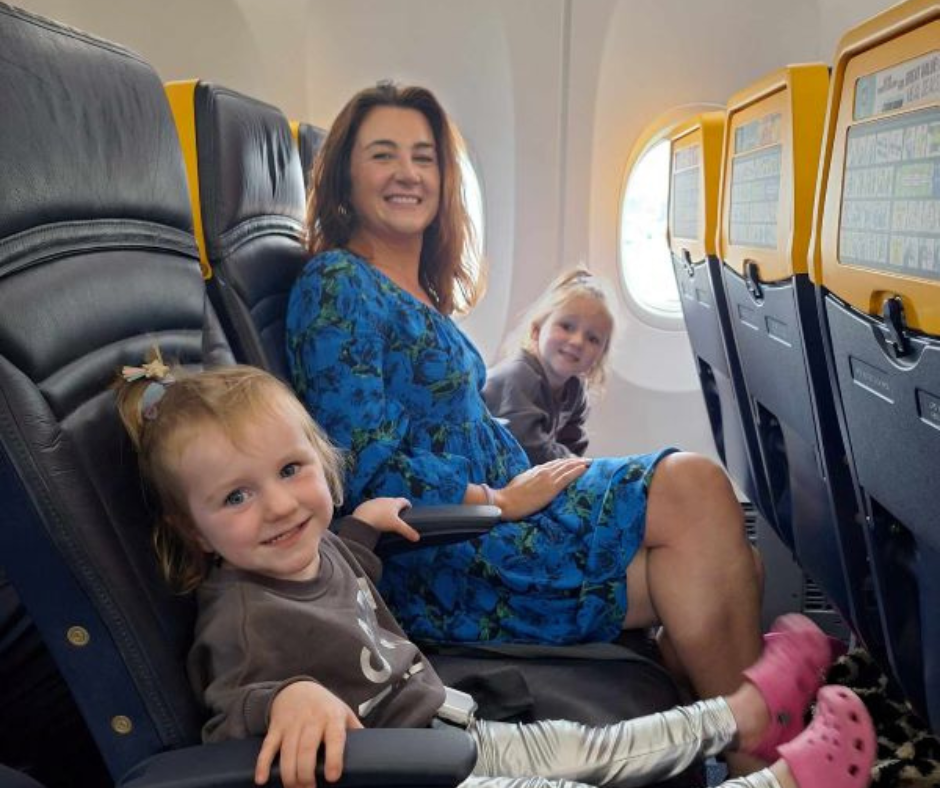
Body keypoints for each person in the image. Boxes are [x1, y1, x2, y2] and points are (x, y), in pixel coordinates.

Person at [286, 81, 763, 773]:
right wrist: (497, 499)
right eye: (382, 154)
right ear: (344, 176)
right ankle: (759, 759)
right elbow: (362, 468)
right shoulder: (335, 286)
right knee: (694, 487)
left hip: (503, 513)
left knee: (729, 557)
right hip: (448, 546)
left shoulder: (419, 285)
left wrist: (520, 483)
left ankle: (729, 751)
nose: (407, 173)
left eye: (424, 157)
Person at [114, 359, 875, 788]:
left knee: (591, 748)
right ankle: (785, 783)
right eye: (237, 497)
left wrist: (364, 523)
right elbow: (236, 706)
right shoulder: (238, 616)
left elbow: (341, 564)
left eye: (291, 470)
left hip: (448, 721)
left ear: (322, 465)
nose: (279, 507)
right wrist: (292, 700)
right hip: (412, 772)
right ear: (193, 530)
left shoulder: (319, 545)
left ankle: (743, 713)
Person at [482, 267, 615, 464]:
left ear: (598, 357)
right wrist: (575, 466)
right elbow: (527, 448)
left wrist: (576, 467)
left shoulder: (574, 390)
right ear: (536, 330)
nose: (578, 341)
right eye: (567, 326)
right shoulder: (520, 377)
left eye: (592, 338)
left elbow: (573, 442)